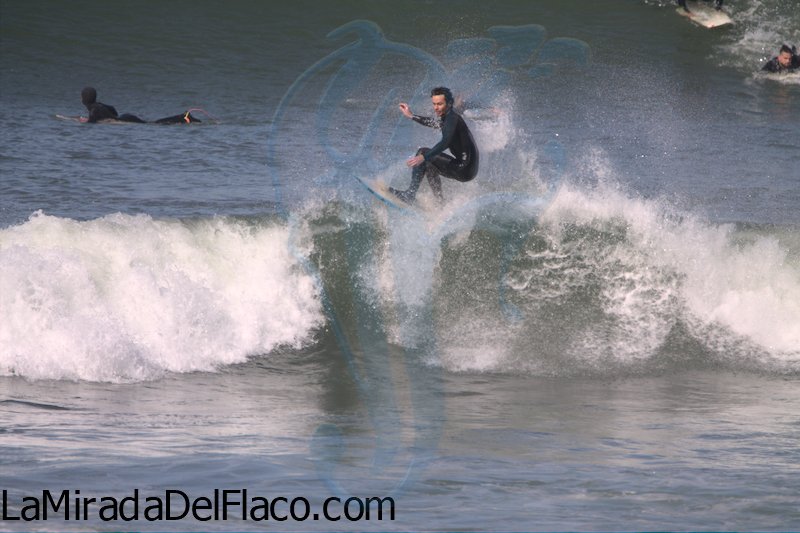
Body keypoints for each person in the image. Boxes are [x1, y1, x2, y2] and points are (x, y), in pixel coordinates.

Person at [390, 87, 479, 205]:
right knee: (429, 164)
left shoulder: (452, 119)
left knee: (423, 152)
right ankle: (440, 203)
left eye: (440, 104)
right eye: (434, 104)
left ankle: (410, 194)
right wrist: (411, 115)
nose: (436, 108)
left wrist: (424, 156)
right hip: (468, 169)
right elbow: (433, 123)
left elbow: (445, 142)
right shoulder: (448, 117)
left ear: (449, 103)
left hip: (464, 168)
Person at [80, 87, 201, 124]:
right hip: (125, 116)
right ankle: (184, 117)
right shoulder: (99, 105)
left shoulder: (94, 109)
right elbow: (113, 110)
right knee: (151, 123)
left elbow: (91, 122)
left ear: (84, 99)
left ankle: (184, 117)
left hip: (125, 120)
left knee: (154, 124)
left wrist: (84, 121)